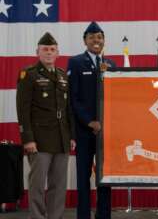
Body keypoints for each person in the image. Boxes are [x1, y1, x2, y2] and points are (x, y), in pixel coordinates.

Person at [16, 32, 76, 219]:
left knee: (58, 185)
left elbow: (68, 109)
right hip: (39, 140)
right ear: (38, 52)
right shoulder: (29, 75)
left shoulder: (62, 76)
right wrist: (28, 139)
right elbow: (23, 110)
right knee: (37, 184)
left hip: (61, 138)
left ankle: (55, 216)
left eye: (52, 50)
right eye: (45, 50)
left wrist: (71, 136)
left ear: (58, 53)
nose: (49, 53)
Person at [67, 21, 116, 219]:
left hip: (106, 132)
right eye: (92, 37)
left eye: (99, 37)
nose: (96, 40)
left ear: (103, 40)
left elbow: (116, 97)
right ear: (85, 41)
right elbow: (74, 99)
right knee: (83, 179)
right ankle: (84, 216)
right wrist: (90, 122)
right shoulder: (76, 62)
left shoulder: (111, 64)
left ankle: (103, 215)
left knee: (105, 178)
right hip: (84, 131)